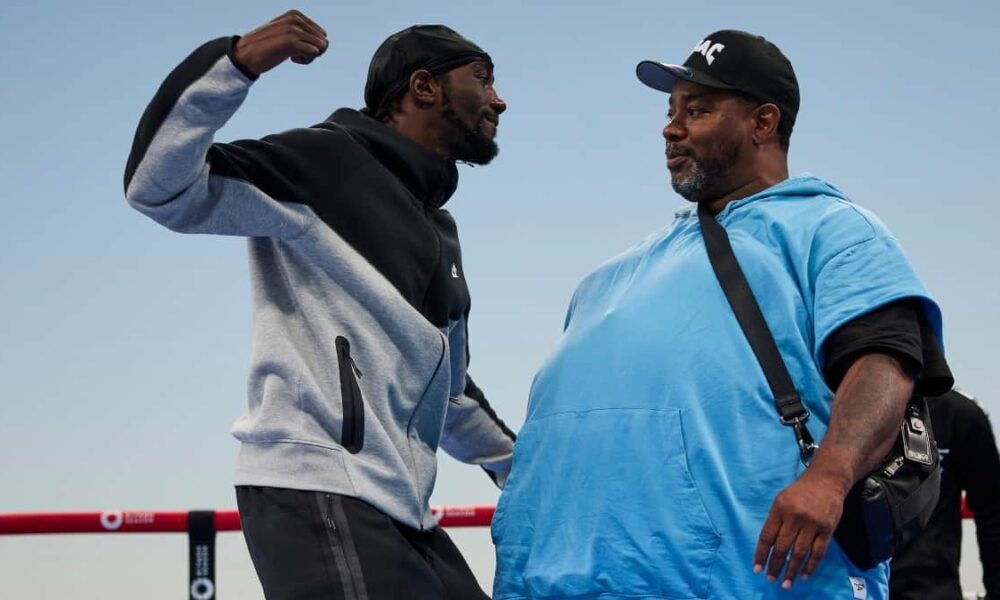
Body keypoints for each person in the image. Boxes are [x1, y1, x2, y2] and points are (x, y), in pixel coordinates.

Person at [492, 29, 951, 599]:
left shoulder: (832, 228)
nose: (670, 127)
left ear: (763, 122)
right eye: (671, 111)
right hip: (558, 581)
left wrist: (829, 478)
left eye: (698, 110)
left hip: (742, 578)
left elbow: (886, 361)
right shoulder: (605, 278)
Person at [124, 10, 515, 599]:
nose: (499, 99)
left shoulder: (441, 232)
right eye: (483, 78)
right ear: (425, 86)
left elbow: (451, 392)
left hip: (400, 508)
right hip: (318, 485)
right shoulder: (326, 162)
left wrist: (528, 474)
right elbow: (159, 187)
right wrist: (238, 61)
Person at [891, 388, 1000, 600]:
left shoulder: (960, 414)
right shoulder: (839, 405)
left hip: (932, 590)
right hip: (853, 587)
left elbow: (993, 512)